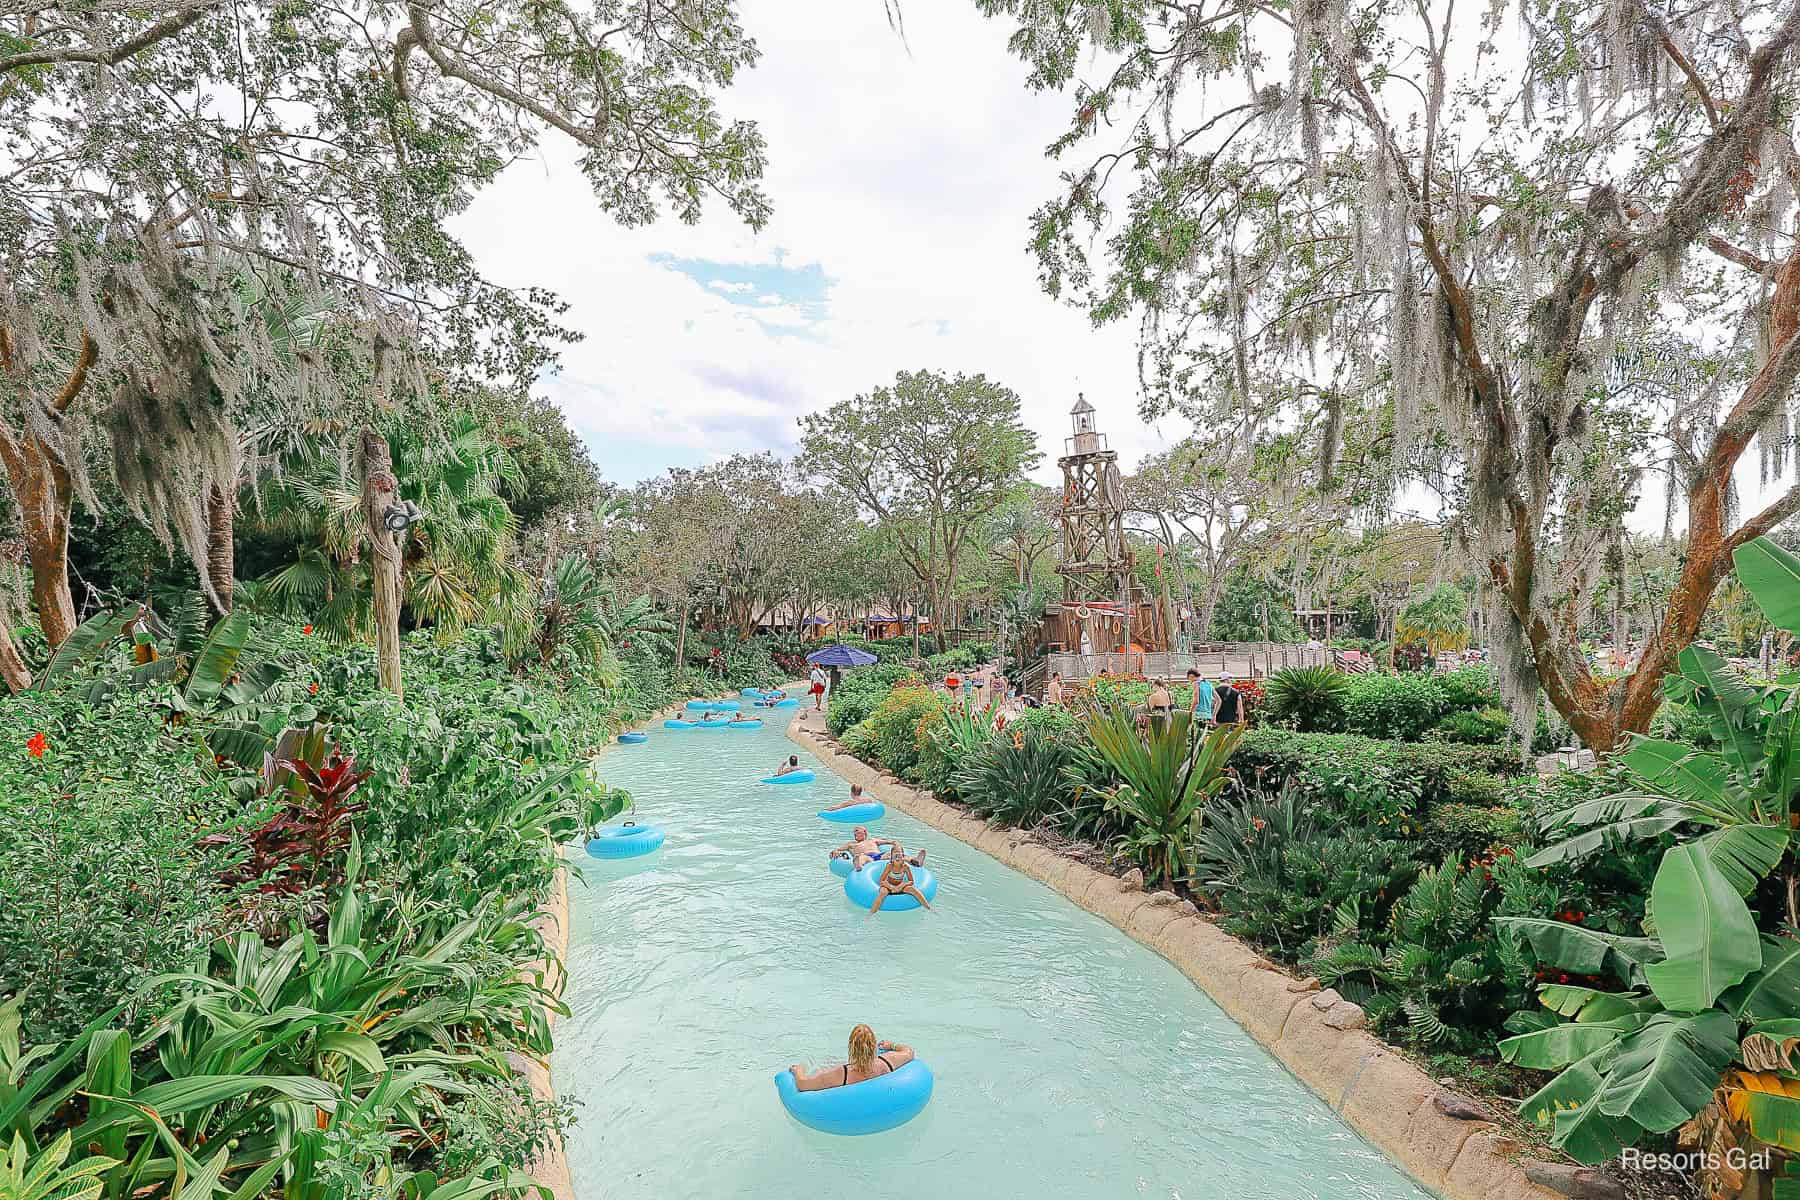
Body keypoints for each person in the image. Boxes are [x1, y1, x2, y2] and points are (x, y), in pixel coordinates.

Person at [787, 1025, 915, 1092]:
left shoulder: (840, 1074)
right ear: (873, 1046)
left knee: (826, 1063)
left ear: (851, 1048)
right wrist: (891, 1045)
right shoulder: (887, 1061)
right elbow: (909, 1052)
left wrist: (797, 1071)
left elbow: (802, 1085)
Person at [868, 847, 932, 916]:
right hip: (889, 886)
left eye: (899, 854)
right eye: (895, 854)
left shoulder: (905, 867)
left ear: (903, 856)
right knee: (883, 892)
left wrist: (901, 886)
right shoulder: (889, 866)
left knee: (913, 890)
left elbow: (911, 881)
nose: (897, 857)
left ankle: (929, 908)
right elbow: (882, 880)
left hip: (900, 886)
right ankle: (871, 914)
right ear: (891, 857)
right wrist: (892, 887)